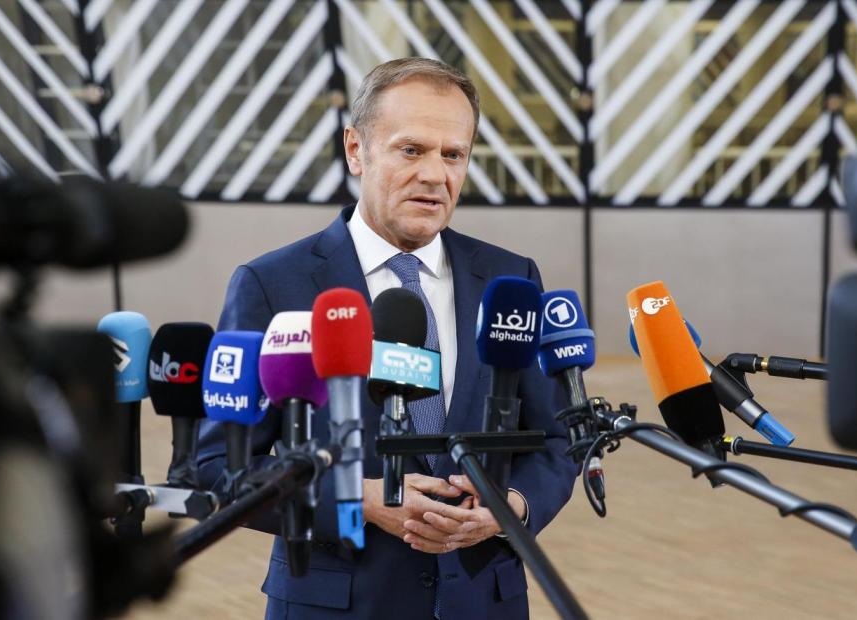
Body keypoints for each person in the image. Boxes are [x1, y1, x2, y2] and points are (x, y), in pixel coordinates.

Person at [197, 57, 576, 620]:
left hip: (484, 602)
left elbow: (556, 440)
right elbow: (218, 470)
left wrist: (509, 507)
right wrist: (360, 500)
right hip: (337, 605)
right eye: (411, 150)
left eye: (454, 155)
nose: (434, 174)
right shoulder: (272, 285)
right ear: (356, 150)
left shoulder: (510, 280)